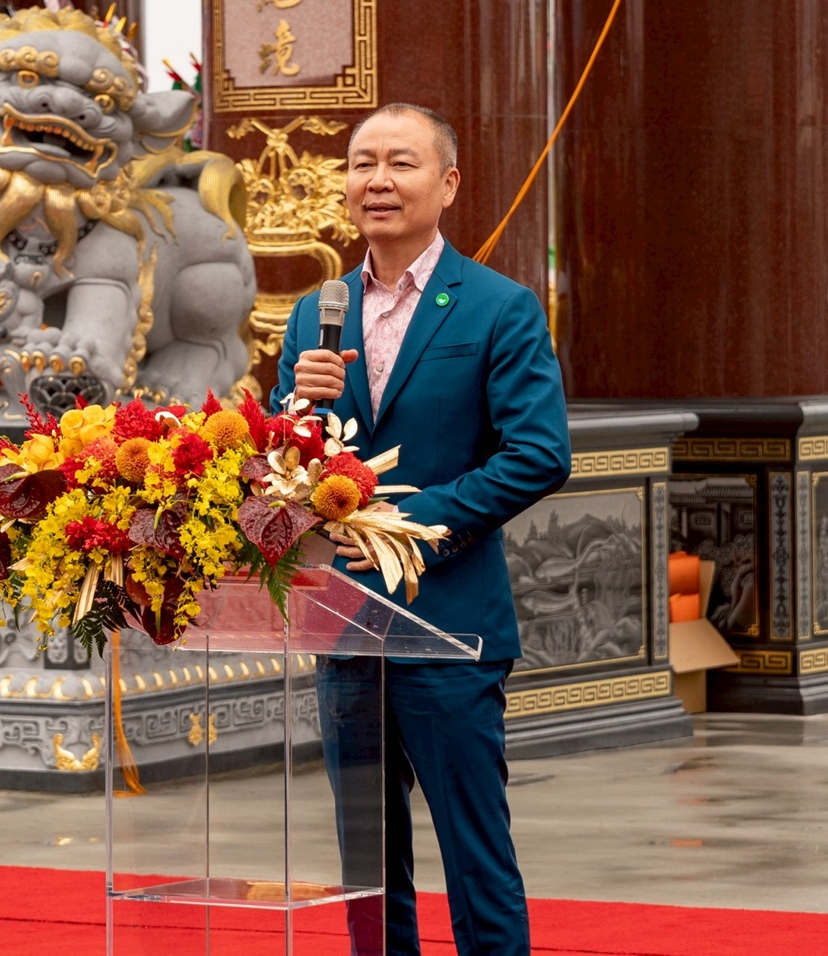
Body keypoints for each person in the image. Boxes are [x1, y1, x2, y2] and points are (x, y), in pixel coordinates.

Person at [271, 103, 571, 956]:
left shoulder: (498, 308)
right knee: (365, 858)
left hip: (447, 621)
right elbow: (280, 457)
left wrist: (406, 524)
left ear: (446, 184)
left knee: (474, 853)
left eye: (399, 163)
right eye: (361, 163)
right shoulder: (315, 312)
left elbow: (539, 454)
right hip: (343, 621)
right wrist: (293, 409)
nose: (376, 181)